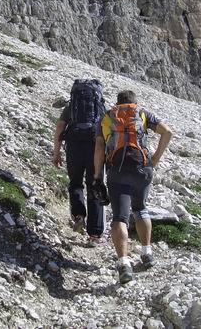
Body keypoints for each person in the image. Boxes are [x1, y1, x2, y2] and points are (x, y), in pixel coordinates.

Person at [93, 90, 172, 284]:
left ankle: (124, 263)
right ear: (134, 103)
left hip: (117, 171)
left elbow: (99, 148)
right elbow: (168, 132)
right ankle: (147, 253)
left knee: (120, 216)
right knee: (140, 209)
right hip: (142, 170)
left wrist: (97, 176)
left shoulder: (107, 117)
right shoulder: (143, 114)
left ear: (117, 103)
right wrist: (154, 159)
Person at [53, 80, 106, 246]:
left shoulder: (71, 106)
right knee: (94, 185)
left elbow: (60, 127)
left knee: (75, 183)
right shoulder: (101, 107)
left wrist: (57, 152)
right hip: (94, 149)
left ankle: (78, 215)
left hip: (74, 146)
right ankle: (95, 235)